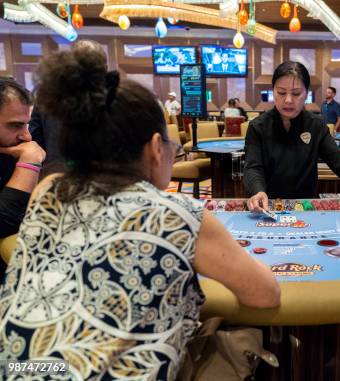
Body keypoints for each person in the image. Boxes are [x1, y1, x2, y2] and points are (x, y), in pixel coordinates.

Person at [0, 47, 279, 379]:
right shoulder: (177, 213)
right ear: (153, 148)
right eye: (170, 148)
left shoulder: (48, 190)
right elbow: (265, 294)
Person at [244, 61, 340, 211]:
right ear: (273, 92)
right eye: (281, 92)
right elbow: (253, 167)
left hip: (308, 206)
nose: (289, 100)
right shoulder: (258, 127)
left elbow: (336, 157)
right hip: (267, 205)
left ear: (306, 94)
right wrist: (258, 191)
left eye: (296, 93)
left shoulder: (315, 125)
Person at [30, 40, 107, 179]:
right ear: (104, 67)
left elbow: (35, 139)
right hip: (104, 177)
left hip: (55, 175)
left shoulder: (46, 97)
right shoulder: (116, 97)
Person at [0, 77, 46, 241]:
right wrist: (29, 164)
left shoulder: (9, 151)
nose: (27, 137)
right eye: (15, 125)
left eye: (26, 125)